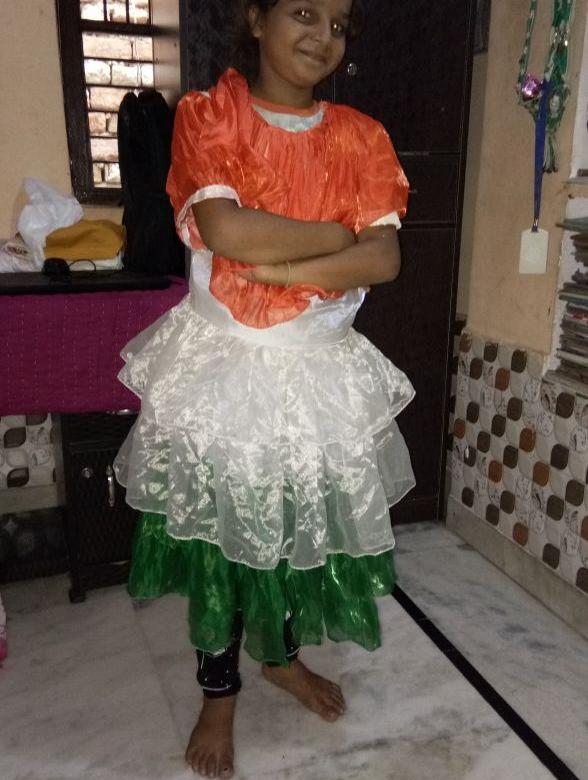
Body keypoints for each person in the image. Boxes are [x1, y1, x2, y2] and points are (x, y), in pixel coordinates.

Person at [114, 0, 416, 776]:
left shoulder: (362, 137)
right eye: (303, 12)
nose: (323, 37)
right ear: (256, 18)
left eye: (339, 24)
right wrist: (334, 237)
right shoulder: (211, 114)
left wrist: (279, 265)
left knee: (288, 530)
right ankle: (219, 693)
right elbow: (226, 232)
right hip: (227, 368)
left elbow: (382, 259)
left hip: (318, 370)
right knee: (223, 540)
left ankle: (279, 657)